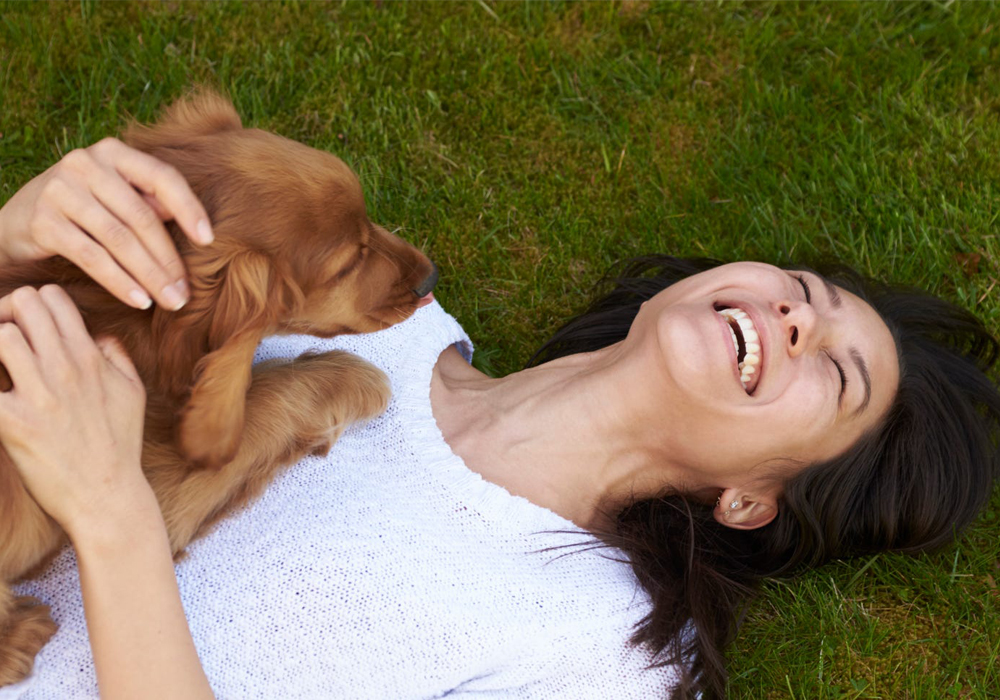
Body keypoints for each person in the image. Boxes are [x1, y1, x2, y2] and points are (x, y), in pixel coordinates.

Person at [0, 139, 997, 700]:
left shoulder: (606, 655)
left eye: (833, 371)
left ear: (753, 498)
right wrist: (19, 243)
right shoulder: (379, 308)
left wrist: (111, 518)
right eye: (799, 289)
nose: (792, 317)